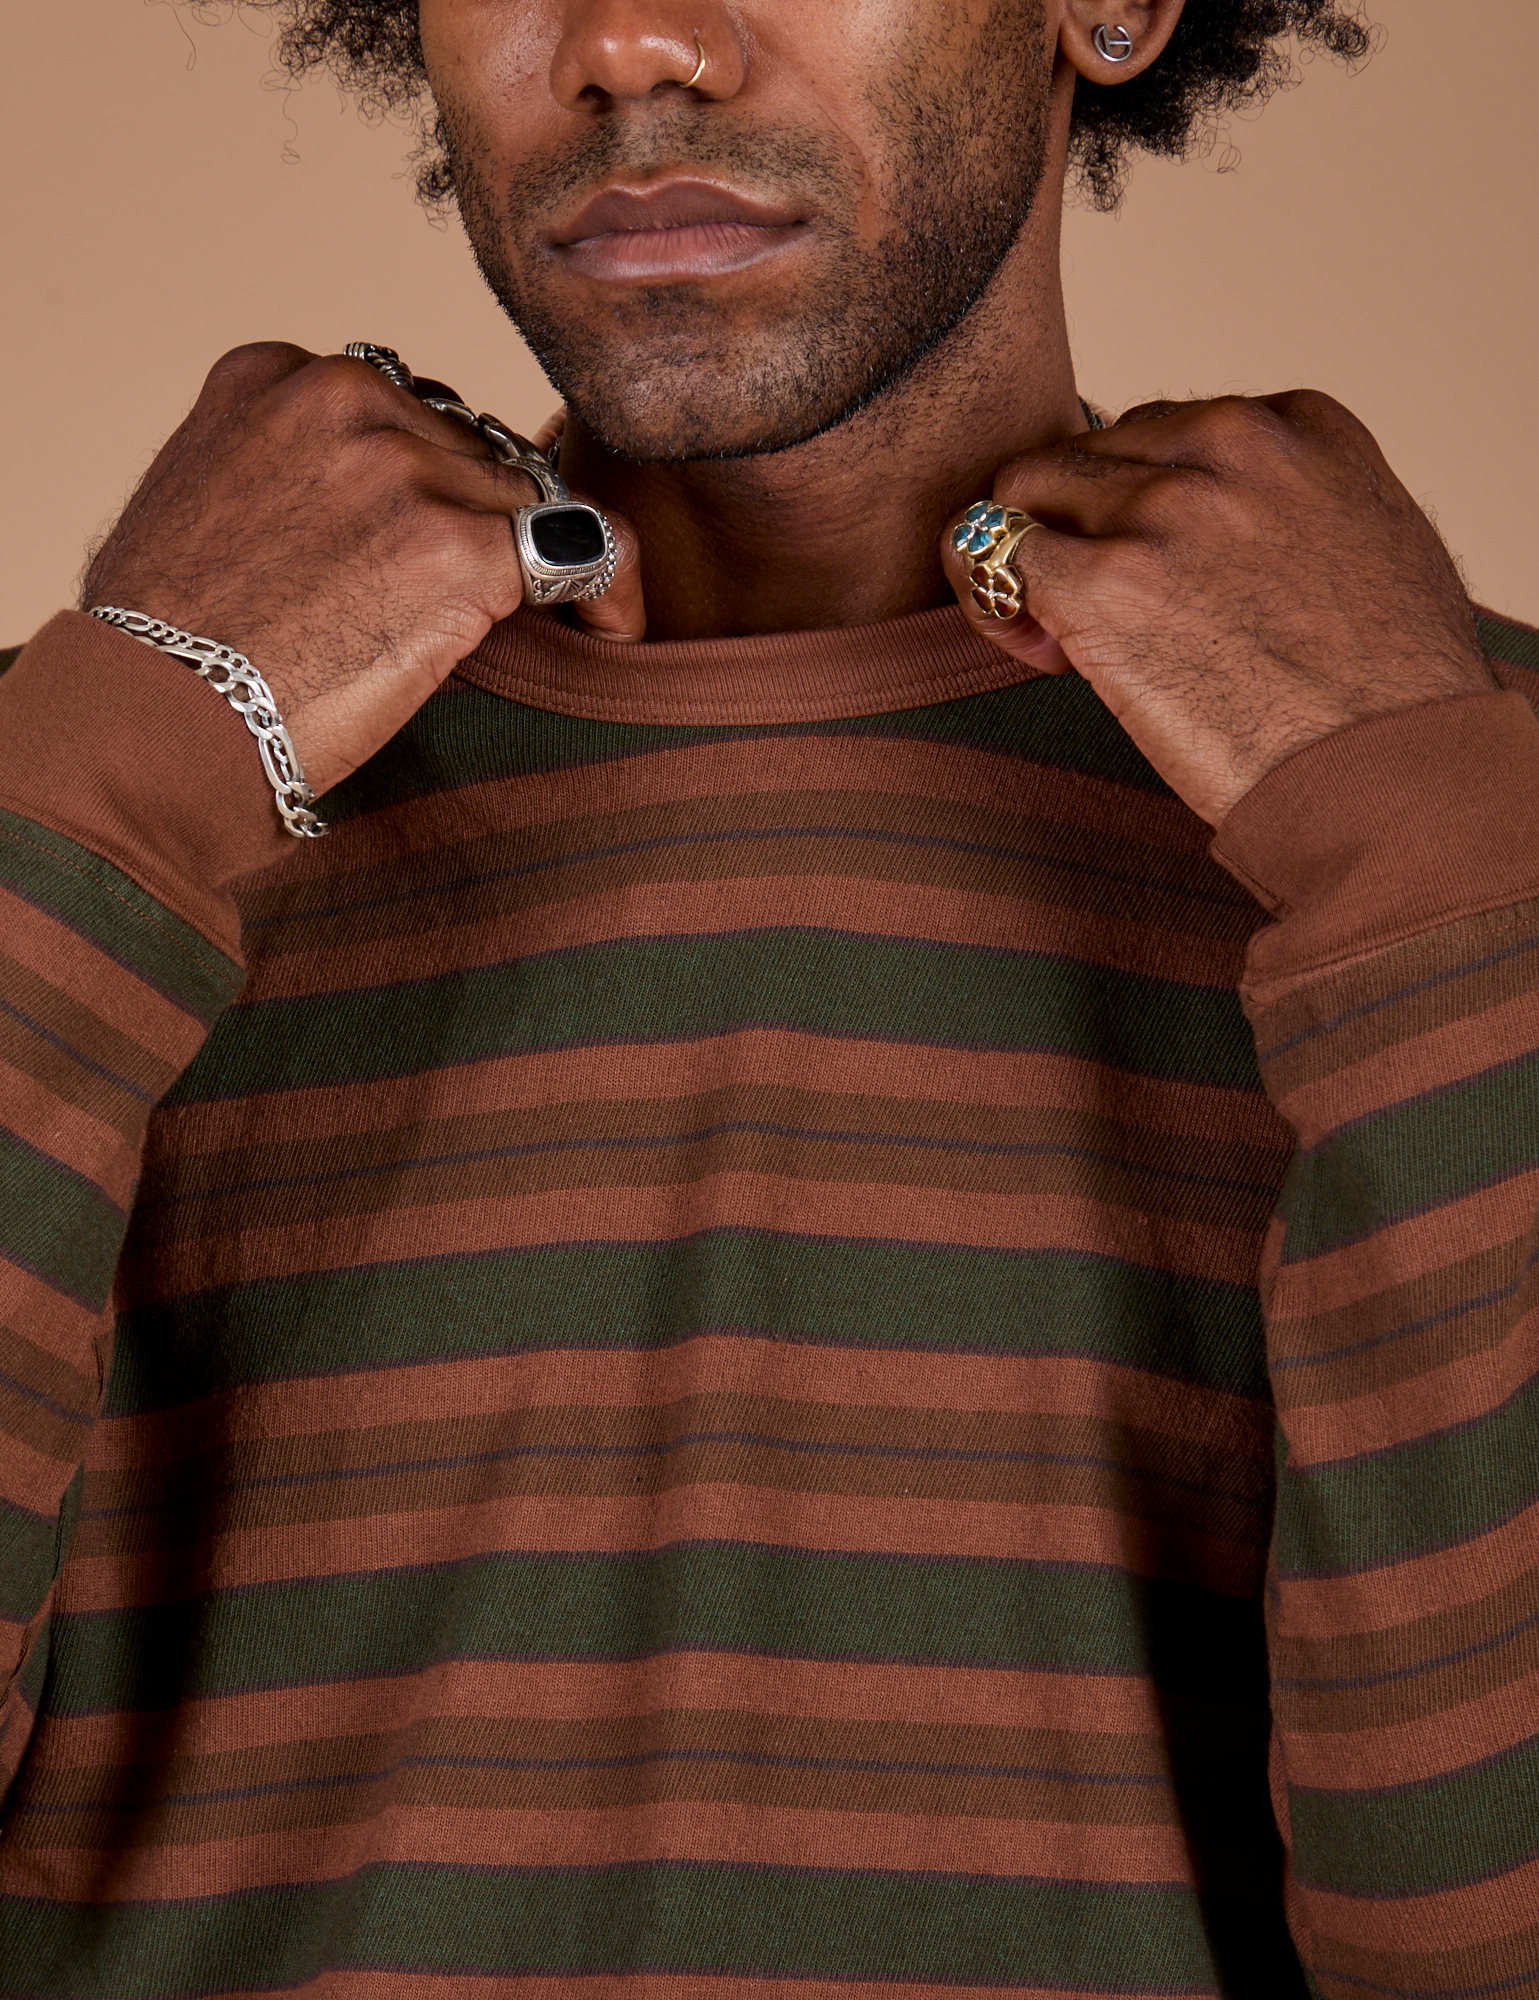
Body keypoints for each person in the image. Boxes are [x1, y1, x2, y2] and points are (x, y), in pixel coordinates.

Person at [1, 0, 1535, 1990]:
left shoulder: (1472, 848)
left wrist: (1423, 862)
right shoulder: (83, 804)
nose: (637, 40)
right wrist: (101, 784)